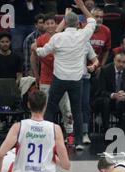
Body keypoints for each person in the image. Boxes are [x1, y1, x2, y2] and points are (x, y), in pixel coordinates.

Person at [34, 0, 96, 151]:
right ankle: (79, 142)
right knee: (77, 110)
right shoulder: (83, 35)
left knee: (50, 109)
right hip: (76, 80)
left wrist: (36, 48)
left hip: (59, 79)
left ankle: (46, 139)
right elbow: (92, 20)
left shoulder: (57, 38)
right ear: (77, 24)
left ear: (65, 23)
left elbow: (42, 53)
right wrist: (81, 6)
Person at [31, 12, 74, 145]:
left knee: (66, 108)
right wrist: (36, 75)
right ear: (43, 25)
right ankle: (44, 134)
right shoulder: (40, 40)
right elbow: (34, 57)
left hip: (62, 78)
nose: (50, 25)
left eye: (52, 23)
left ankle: (70, 134)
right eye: (47, 23)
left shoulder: (61, 38)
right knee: (43, 108)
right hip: (45, 79)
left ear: (56, 24)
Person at [93, 52, 125, 133]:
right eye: (119, 61)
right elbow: (101, 90)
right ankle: (106, 130)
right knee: (105, 101)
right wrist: (114, 95)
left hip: (124, 99)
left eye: (124, 62)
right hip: (109, 98)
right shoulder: (105, 70)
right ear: (114, 60)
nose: (121, 64)